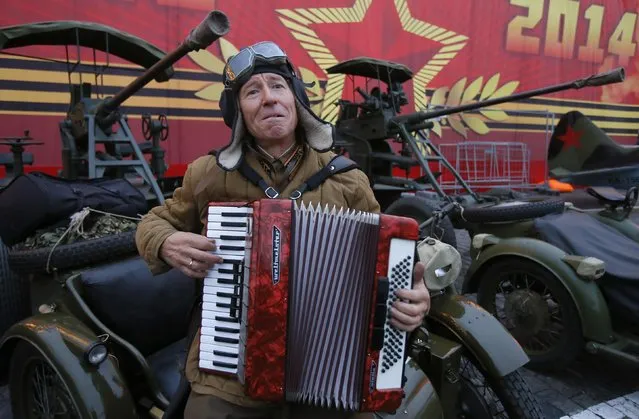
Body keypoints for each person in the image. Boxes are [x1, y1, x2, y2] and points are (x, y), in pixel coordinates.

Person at [135, 41, 431, 419]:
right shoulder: (208, 175)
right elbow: (154, 222)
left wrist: (416, 297)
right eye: (252, 92)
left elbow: (394, 266)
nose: (269, 99)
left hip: (332, 365)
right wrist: (165, 241)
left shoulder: (347, 180)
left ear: (296, 99)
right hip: (232, 366)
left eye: (278, 86)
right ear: (238, 111)